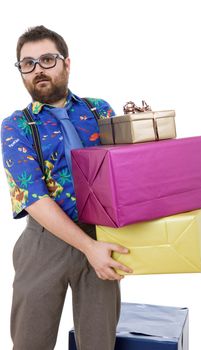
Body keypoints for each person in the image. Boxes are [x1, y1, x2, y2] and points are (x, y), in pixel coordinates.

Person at [1, 25, 133, 350]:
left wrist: (186, 209)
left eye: (47, 59)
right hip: (44, 242)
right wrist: (89, 248)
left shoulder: (98, 110)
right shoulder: (15, 127)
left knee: (99, 343)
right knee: (30, 343)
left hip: (102, 236)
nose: (38, 70)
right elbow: (33, 198)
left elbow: (132, 174)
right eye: (27, 63)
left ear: (67, 63)